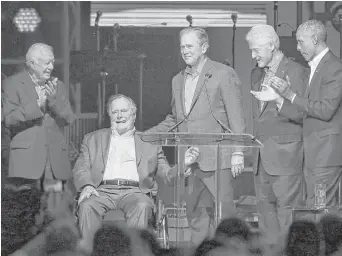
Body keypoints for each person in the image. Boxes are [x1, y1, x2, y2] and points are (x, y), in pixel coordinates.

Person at [147, 27, 246, 246]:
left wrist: (238, 152)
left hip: (217, 158)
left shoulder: (222, 73)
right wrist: (145, 135)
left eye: (189, 46)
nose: (185, 51)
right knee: (195, 216)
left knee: (225, 216)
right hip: (189, 160)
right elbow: (176, 119)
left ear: (204, 47)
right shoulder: (177, 80)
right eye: (182, 46)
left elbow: (236, 117)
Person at [73, 94, 199, 241]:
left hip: (135, 191)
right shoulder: (93, 139)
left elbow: (166, 174)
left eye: (124, 111)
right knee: (87, 205)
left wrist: (183, 164)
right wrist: (87, 185)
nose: (119, 116)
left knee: (142, 205)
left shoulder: (148, 142)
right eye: (115, 112)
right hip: (101, 190)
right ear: (109, 115)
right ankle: (89, 251)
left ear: (133, 114)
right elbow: (81, 167)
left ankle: (136, 249)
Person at [252, 20, 342, 208]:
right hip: (314, 154)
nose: (297, 48)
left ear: (314, 39)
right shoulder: (316, 66)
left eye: (300, 42)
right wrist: (279, 100)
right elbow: (307, 111)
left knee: (320, 207)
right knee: (315, 207)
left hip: (325, 154)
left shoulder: (335, 68)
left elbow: (325, 110)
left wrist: (290, 94)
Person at [247, 25, 307, 244]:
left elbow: (303, 113)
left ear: (271, 46)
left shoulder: (296, 71)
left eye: (256, 50)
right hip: (261, 157)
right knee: (265, 216)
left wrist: (279, 100)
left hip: (286, 155)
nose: (253, 56)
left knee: (288, 216)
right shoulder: (256, 73)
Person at [2, 43, 75, 197]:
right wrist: (37, 106)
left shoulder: (57, 86)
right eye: (47, 63)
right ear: (32, 64)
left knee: (54, 212)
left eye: (53, 62)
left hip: (53, 165)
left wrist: (53, 104)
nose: (51, 67)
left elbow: (68, 119)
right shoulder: (13, 84)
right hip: (26, 164)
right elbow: (8, 119)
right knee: (27, 213)